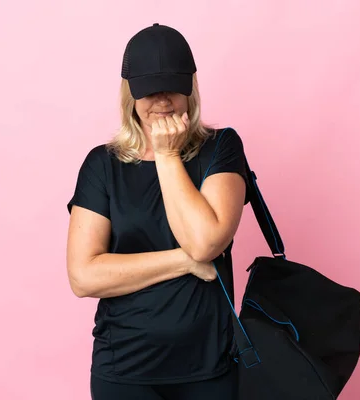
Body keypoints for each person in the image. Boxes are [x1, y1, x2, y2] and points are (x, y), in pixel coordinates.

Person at [65, 23, 249, 400]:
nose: (162, 100)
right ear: (130, 93)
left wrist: (166, 154)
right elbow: (83, 276)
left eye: (172, 87)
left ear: (190, 87)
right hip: (124, 371)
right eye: (150, 89)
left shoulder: (221, 148)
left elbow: (205, 244)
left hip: (210, 368)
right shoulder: (102, 165)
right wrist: (182, 262)